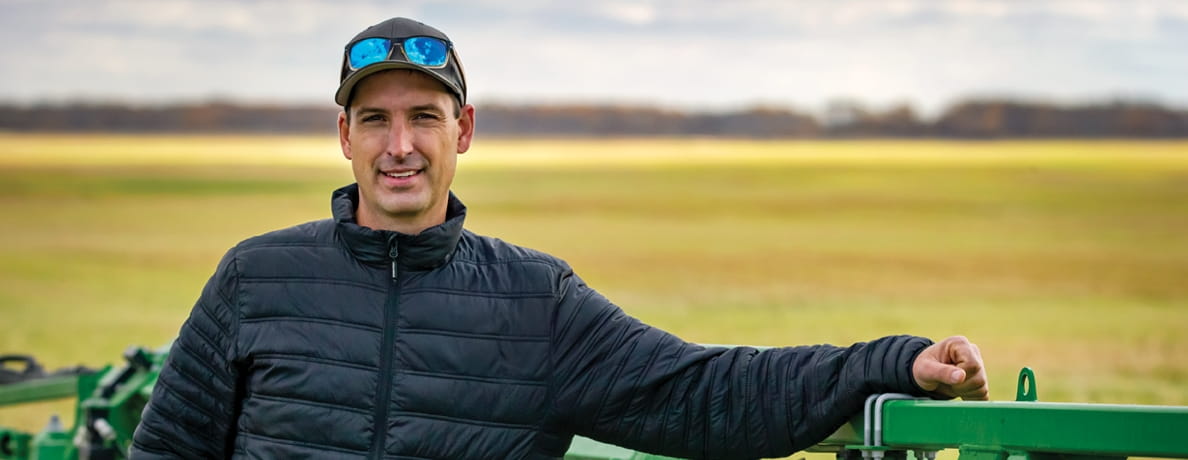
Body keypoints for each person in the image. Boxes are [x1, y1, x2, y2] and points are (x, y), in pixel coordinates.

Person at [130, 17, 987, 459]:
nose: (400, 146)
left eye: (423, 118)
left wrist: (890, 361)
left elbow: (708, 393)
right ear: (343, 136)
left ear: (462, 130)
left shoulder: (534, 303)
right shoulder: (256, 277)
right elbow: (168, 451)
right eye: (376, 120)